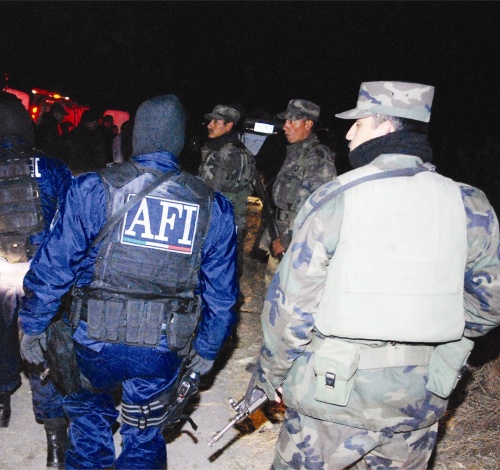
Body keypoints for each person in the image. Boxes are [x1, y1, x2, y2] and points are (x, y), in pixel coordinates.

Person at [254, 81, 500, 469]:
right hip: (418, 399)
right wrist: (430, 334)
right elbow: (489, 305)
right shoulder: (471, 204)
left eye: (359, 123)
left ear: (386, 127)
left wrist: (271, 376)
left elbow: (291, 308)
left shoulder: (337, 197)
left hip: (332, 397)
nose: (349, 134)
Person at [18, 94, 238, 470]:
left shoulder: (93, 187)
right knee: (145, 434)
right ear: (179, 141)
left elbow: (54, 267)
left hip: (93, 341)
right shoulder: (211, 205)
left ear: (137, 137)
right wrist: (207, 348)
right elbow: (222, 294)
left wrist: (33, 324)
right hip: (163, 346)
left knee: (88, 427)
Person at [0, 91, 72, 468]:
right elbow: (70, 223)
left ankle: (2, 402)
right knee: (40, 346)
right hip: (39, 271)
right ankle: (55, 436)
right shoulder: (53, 167)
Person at [260, 99, 336, 288]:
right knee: (273, 288)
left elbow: (316, 206)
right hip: (281, 233)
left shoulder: (317, 157)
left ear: (308, 124)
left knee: (288, 292)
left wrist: (287, 239)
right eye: (285, 121)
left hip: (297, 240)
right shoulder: (297, 152)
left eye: (291, 122)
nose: (285, 126)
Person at [198, 104, 256, 280]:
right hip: (236, 222)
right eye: (210, 121)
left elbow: (205, 190)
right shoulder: (246, 153)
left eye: (216, 121)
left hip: (214, 224)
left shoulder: (218, 154)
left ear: (229, 126)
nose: (210, 125)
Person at [62, 109, 107, 174]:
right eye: (94, 122)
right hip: (87, 170)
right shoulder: (89, 135)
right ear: (88, 122)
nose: (96, 124)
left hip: (81, 170)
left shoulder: (75, 134)